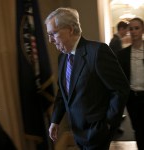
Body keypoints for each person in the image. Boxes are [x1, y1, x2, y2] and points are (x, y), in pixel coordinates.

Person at [45, 7, 129, 150]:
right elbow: (64, 92)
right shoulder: (62, 58)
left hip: (97, 132)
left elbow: (120, 89)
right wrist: (55, 121)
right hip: (78, 133)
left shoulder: (97, 52)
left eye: (53, 33)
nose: (50, 40)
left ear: (70, 29)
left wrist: (107, 125)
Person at [117, 17, 144, 150]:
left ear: (142, 30)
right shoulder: (123, 54)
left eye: (137, 28)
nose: (133, 31)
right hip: (133, 98)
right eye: (131, 28)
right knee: (138, 130)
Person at [109, 21, 129, 134]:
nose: (127, 32)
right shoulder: (116, 41)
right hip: (115, 75)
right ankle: (114, 127)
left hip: (114, 74)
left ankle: (116, 124)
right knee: (117, 101)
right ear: (121, 29)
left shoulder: (115, 40)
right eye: (126, 29)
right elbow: (117, 60)